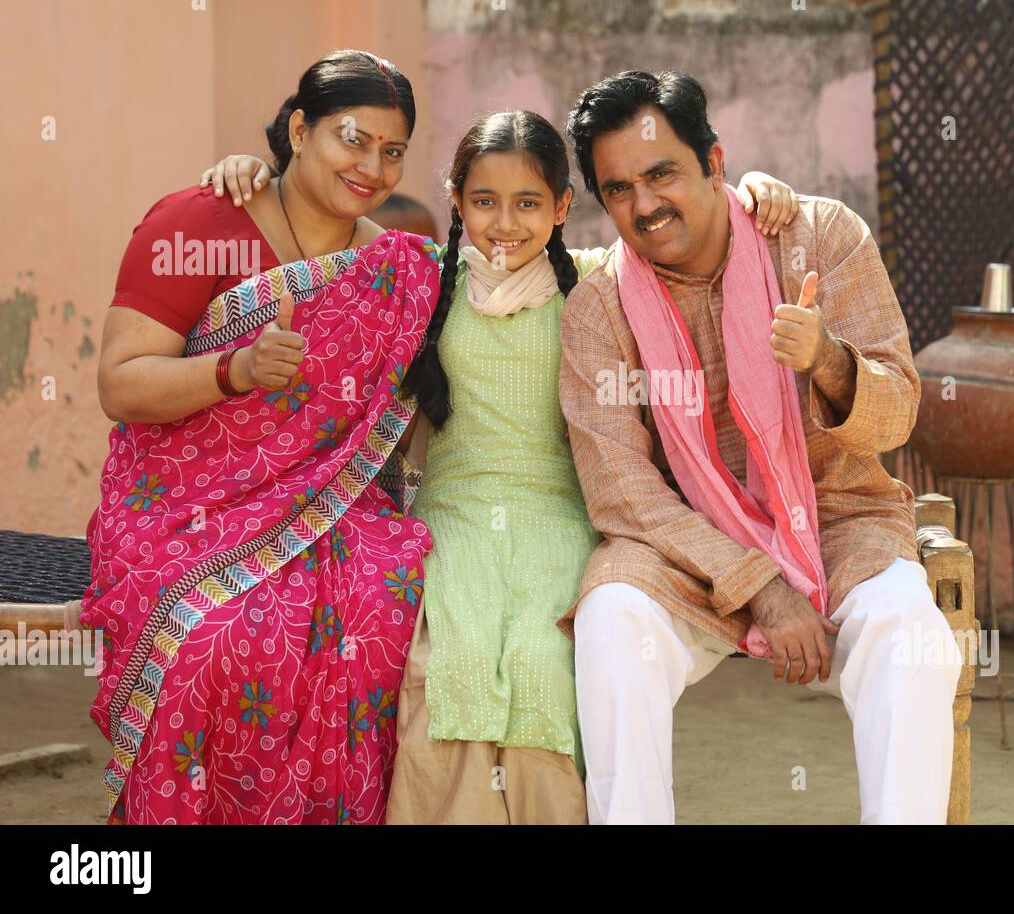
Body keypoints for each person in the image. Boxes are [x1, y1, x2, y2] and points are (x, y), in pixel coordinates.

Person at [202, 123, 799, 824]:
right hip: (450, 521)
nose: (505, 223)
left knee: (543, 671)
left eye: (527, 202)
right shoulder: (422, 281)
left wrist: (755, 193)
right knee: (441, 672)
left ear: (561, 205)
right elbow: (322, 226)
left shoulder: (603, 285)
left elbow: (695, 235)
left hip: (564, 520)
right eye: (484, 201)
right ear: (456, 201)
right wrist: (258, 178)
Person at [557, 70, 963, 824]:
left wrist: (830, 362)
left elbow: (899, 414)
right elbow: (623, 492)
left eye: (661, 173)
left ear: (714, 162)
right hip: (686, 552)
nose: (644, 206)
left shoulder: (822, 238)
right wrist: (761, 585)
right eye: (618, 190)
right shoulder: (598, 307)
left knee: (910, 637)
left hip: (842, 523)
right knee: (612, 620)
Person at [84, 50, 438, 824]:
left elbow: (526, 272)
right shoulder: (198, 223)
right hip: (181, 505)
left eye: (393, 150)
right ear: (301, 130)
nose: (373, 166)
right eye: (353, 139)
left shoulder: (389, 264)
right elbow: (120, 383)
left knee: (389, 604)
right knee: (213, 630)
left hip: (334, 510)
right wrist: (234, 370)